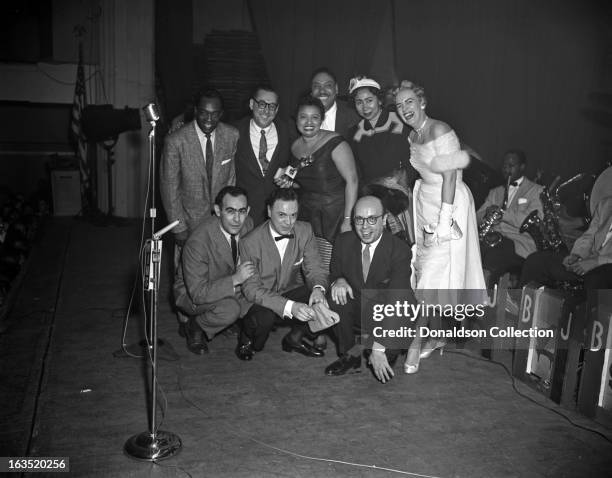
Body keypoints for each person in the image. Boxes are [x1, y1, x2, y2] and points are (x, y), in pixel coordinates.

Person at [395, 80, 486, 372]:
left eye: (409, 102)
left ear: (422, 102)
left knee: (433, 274)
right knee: (427, 271)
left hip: (450, 204)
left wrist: (445, 220)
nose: (404, 109)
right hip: (425, 204)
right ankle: (437, 335)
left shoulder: (440, 130)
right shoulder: (412, 136)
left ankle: (416, 341)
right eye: (399, 106)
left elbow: (450, 177)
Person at [160, 88, 239, 335]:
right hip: (188, 222)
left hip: (219, 222)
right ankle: (186, 322)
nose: (208, 119)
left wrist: (230, 217)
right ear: (195, 111)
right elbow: (169, 187)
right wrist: (178, 226)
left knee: (220, 270)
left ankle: (214, 317)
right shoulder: (176, 141)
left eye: (215, 114)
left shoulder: (231, 135)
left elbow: (232, 179)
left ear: (221, 114)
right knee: (185, 276)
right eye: (204, 113)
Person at [325, 196, 415, 383]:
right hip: (360, 308)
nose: (364, 227)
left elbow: (397, 302)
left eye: (372, 219)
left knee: (387, 354)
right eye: (359, 219)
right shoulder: (343, 241)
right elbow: (334, 273)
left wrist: (379, 348)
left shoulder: (400, 250)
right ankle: (350, 355)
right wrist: (339, 280)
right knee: (335, 297)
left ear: (384, 220)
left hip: (390, 314)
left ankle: (375, 347)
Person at [236, 188, 329, 361]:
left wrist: (318, 289)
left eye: (293, 215)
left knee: (325, 295)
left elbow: (316, 268)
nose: (289, 222)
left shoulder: (305, 230)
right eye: (282, 215)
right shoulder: (250, 242)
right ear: (269, 211)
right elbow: (251, 290)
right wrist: (290, 306)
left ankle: (294, 338)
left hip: (287, 290)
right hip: (257, 299)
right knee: (263, 322)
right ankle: (247, 338)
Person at [173, 186, 255, 354]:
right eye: (230, 211)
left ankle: (235, 325)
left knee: (265, 294)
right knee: (230, 309)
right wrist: (236, 280)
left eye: (242, 211)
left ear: (248, 211)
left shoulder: (248, 224)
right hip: (193, 293)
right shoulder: (198, 242)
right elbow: (197, 293)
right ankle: (194, 326)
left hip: (225, 282)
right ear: (217, 211)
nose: (237, 219)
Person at [277, 95, 358, 245]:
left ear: (321, 120)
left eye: (315, 117)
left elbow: (352, 181)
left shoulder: (335, 142)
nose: (309, 122)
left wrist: (348, 220)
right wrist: (287, 183)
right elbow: (301, 183)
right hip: (307, 215)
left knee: (335, 262)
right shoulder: (294, 147)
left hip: (336, 214)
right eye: (303, 117)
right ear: (296, 120)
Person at [346, 75, 418, 243]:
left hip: (403, 199)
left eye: (369, 100)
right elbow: (358, 173)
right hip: (373, 203)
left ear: (379, 99)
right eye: (359, 102)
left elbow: (415, 157)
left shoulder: (400, 120)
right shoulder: (354, 133)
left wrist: (404, 183)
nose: (365, 107)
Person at [476, 150, 544, 287]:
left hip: (518, 243)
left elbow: (533, 219)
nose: (506, 168)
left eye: (511, 165)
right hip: (494, 239)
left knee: (493, 255)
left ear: (522, 167)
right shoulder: (495, 191)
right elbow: (476, 217)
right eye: (504, 165)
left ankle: (485, 297)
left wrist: (503, 214)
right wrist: (486, 214)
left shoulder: (536, 190)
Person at [520, 196, 612, 289]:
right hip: (588, 261)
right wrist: (576, 256)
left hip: (605, 267)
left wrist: (596, 262)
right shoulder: (605, 204)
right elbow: (589, 236)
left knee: (597, 277)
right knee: (536, 261)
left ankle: (574, 302)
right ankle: (525, 299)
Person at [235, 85, 294, 225]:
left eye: (272, 106)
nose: (266, 111)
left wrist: (291, 174)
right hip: (244, 213)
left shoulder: (288, 130)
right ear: (251, 104)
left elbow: (299, 159)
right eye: (262, 104)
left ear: (277, 109)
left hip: (278, 213)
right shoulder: (234, 131)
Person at [310, 67, 359, 137]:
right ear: (311, 91)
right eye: (316, 86)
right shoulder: (298, 120)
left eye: (328, 85)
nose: (322, 91)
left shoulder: (354, 116)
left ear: (336, 89)